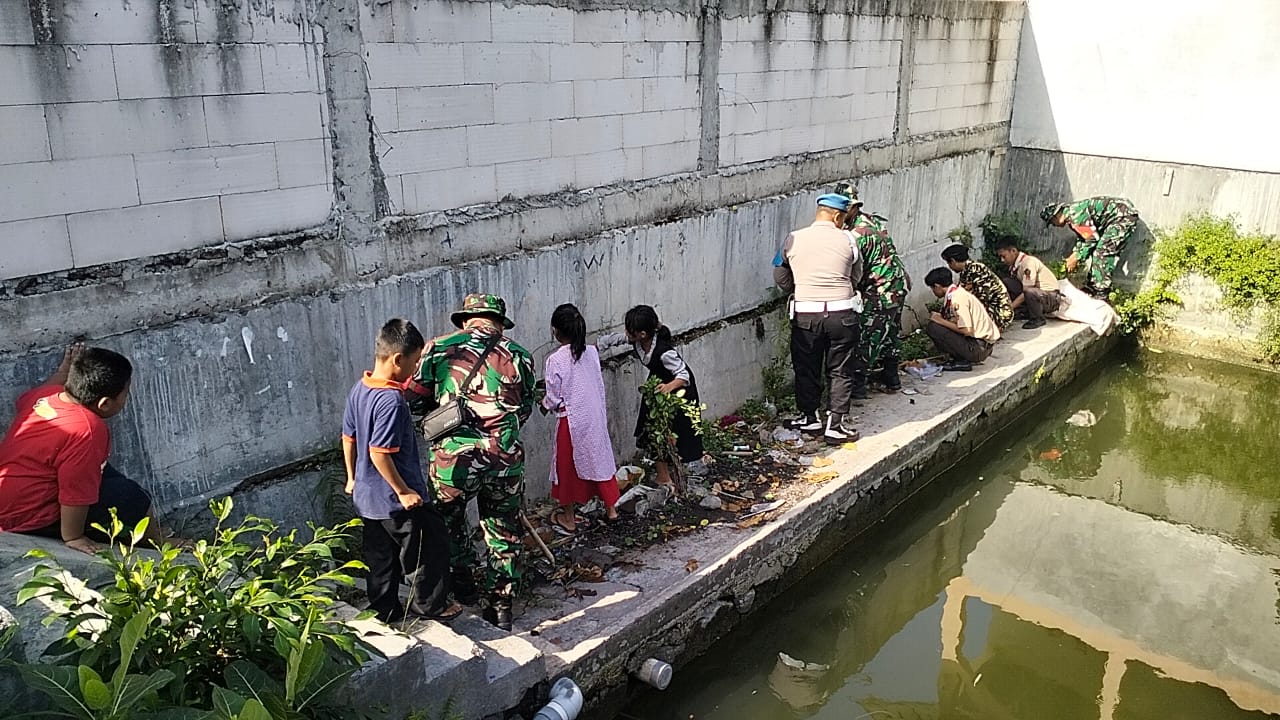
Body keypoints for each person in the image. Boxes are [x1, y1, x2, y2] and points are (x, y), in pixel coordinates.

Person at [406, 294, 535, 632]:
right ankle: (501, 608)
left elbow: (415, 402)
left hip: (453, 461)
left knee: (448, 523)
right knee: (503, 532)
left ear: (466, 320)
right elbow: (525, 410)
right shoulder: (520, 356)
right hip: (504, 459)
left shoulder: (437, 348)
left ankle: (461, 582)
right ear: (498, 322)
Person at [341, 319, 460, 624]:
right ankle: (430, 607)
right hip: (395, 500)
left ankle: (385, 612)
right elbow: (380, 454)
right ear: (397, 359)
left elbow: (348, 437)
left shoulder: (361, 388)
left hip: (368, 499)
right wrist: (404, 491)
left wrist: (352, 477)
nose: (416, 369)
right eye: (415, 361)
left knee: (380, 560)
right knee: (427, 550)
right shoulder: (391, 400)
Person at [0, 345, 171, 554]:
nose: (127, 398)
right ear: (105, 403)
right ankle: (156, 542)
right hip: (29, 518)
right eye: (126, 394)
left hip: (11, 503)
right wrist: (73, 537)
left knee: (103, 470)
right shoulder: (87, 430)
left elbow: (25, 399)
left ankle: (153, 534)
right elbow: (74, 489)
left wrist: (62, 373)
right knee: (133, 496)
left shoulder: (46, 397)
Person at [773, 192, 863, 444]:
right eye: (843, 217)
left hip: (805, 315)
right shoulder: (850, 239)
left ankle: (810, 418)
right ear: (836, 216)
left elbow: (780, 274)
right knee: (841, 370)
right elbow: (857, 275)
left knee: (806, 367)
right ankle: (835, 425)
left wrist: (799, 288)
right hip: (842, 315)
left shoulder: (793, 238)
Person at [599, 305, 704, 489]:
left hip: (679, 393)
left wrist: (669, 387)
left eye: (630, 330)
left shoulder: (664, 352)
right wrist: (596, 346)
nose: (626, 333)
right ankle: (664, 475)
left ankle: (675, 472)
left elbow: (684, 375)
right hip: (657, 388)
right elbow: (616, 339)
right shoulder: (637, 341)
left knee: (676, 431)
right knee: (653, 431)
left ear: (643, 334)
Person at [541, 304, 620, 536]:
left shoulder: (555, 360)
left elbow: (554, 397)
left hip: (571, 420)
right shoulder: (592, 353)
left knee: (565, 469)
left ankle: (568, 517)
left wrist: (544, 404)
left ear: (555, 330)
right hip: (594, 417)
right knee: (599, 459)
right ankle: (611, 508)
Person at [834, 182, 910, 395]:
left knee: (868, 335)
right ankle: (891, 375)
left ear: (850, 208)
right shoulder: (874, 221)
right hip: (897, 284)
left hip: (880, 291)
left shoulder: (856, 234)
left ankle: (858, 384)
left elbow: (854, 268)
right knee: (891, 331)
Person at [1041, 196, 1139, 297]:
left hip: (1122, 216)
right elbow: (1084, 238)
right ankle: (1093, 285)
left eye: (1052, 223)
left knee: (1102, 251)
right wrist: (1075, 255)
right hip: (1118, 216)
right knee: (1098, 250)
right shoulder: (1072, 217)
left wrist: (1076, 258)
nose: (1054, 225)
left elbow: (1092, 239)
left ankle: (1101, 290)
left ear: (1055, 217)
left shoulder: (1075, 215)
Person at [924, 267, 1001, 370]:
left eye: (932, 288)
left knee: (933, 327)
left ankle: (961, 360)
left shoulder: (957, 299)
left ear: (937, 286)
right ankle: (961, 356)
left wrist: (940, 321)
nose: (933, 291)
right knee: (938, 324)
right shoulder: (957, 293)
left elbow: (966, 330)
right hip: (981, 345)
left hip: (977, 348)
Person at [995, 238, 1063, 330]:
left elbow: (1026, 291)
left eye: (1004, 256)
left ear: (1013, 251)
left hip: (1051, 297)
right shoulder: (1015, 266)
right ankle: (1023, 311)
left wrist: (1010, 307)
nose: (1002, 260)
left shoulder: (1028, 263)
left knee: (1029, 291)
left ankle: (1038, 318)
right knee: (1007, 282)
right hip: (1039, 295)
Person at [941, 244, 1014, 329]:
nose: (949, 267)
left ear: (953, 261)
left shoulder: (977, 270)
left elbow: (982, 298)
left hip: (999, 313)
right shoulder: (966, 272)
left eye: (948, 263)